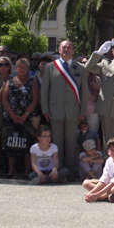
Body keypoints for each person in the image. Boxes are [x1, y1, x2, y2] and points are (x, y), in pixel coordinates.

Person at [41, 40, 88, 177]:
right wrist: (45, 110)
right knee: (57, 142)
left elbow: (84, 92)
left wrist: (82, 111)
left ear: (73, 50)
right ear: (59, 50)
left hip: (73, 111)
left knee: (71, 142)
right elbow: (44, 91)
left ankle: (69, 169)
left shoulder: (80, 68)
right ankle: (58, 168)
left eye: (69, 47)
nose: (66, 50)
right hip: (55, 110)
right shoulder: (50, 67)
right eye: (63, 47)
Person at [2, 58, 39, 179]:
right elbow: (4, 99)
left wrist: (25, 115)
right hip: (11, 117)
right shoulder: (10, 81)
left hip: (27, 118)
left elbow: (35, 100)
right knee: (10, 144)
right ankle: (10, 171)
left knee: (27, 144)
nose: (22, 69)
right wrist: (12, 114)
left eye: (25, 67)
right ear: (16, 68)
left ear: (28, 69)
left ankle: (27, 171)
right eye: (20, 67)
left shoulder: (32, 81)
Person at [0, 57, 12, 177]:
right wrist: (5, 83)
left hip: (11, 112)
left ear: (9, 66)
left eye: (5, 64)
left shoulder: (14, 79)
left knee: (10, 140)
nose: (3, 67)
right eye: (0, 65)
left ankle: (11, 168)